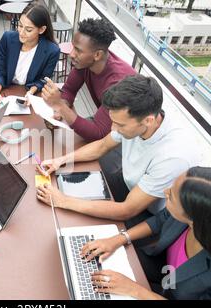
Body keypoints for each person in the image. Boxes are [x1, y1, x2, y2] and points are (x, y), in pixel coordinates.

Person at [36, 75, 200, 228]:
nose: (113, 129)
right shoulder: (139, 118)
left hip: (153, 216)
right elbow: (102, 145)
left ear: (148, 121)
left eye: (120, 125)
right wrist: (61, 160)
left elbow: (127, 210)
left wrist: (62, 201)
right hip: (130, 184)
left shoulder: (172, 157)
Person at [80, 167, 211, 299]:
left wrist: (135, 290)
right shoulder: (198, 218)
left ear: (195, 219)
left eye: (171, 196)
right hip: (162, 268)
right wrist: (118, 239)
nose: (166, 191)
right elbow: (160, 220)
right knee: (93, 265)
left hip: (169, 293)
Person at [42, 18, 136, 142]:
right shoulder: (85, 62)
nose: (71, 54)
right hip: (106, 122)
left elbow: (99, 133)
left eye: (78, 50)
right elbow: (69, 90)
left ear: (97, 55)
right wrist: (60, 111)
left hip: (129, 138)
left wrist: (59, 105)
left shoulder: (117, 82)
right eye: (73, 47)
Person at [0, 3, 60, 107]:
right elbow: (0, 72)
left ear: (41, 30)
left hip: (30, 93)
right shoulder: (7, 39)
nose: (21, 32)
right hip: (6, 90)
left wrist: (30, 93)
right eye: (20, 25)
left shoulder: (52, 51)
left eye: (28, 29)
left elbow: (42, 80)